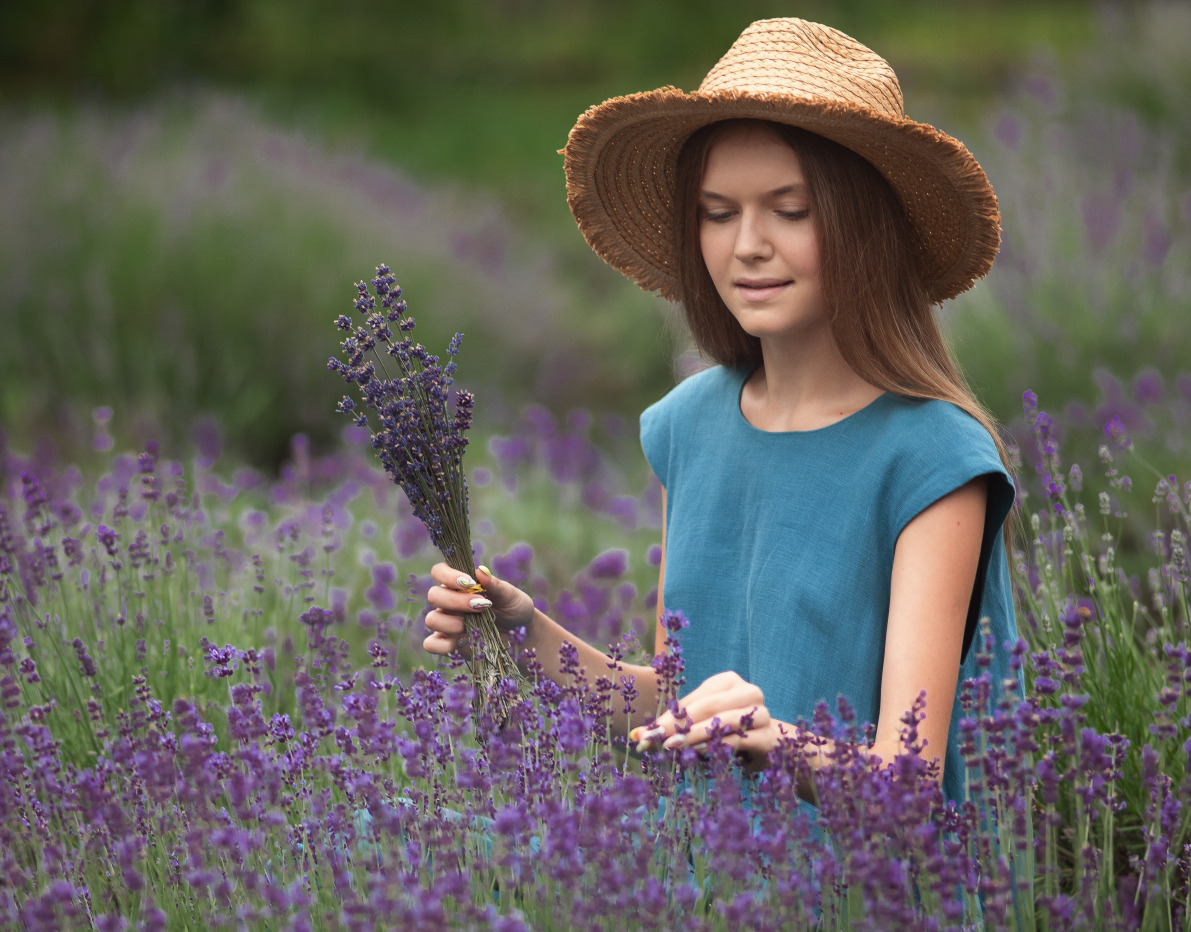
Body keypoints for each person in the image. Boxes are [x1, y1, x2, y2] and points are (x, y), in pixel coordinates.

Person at [421, 18, 1020, 809]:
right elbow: (677, 706)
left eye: (789, 210)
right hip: (708, 890)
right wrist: (524, 630)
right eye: (716, 212)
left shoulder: (933, 459)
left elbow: (905, 783)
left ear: (863, 226)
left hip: (860, 914)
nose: (746, 245)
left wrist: (778, 746)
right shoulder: (688, 425)